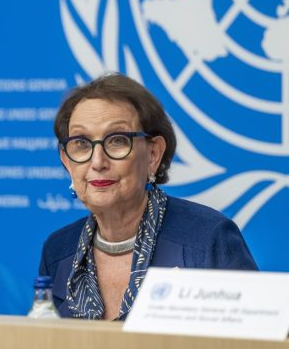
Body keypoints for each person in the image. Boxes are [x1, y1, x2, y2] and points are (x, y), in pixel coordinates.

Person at [38, 73, 257, 321]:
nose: (97, 162)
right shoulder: (58, 251)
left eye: (117, 140)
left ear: (153, 155)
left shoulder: (207, 239)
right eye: (82, 143)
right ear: (67, 162)